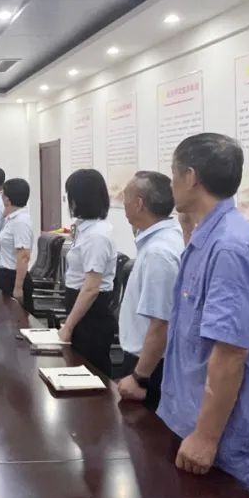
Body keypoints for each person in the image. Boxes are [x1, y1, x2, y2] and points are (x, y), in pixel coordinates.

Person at [158, 133, 249, 498]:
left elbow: (231, 352)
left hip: (221, 440)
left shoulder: (228, 247)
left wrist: (206, 437)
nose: (171, 184)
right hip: (190, 420)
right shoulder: (206, 237)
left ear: (190, 177)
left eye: (174, 174)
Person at [116, 171, 182, 411]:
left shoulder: (158, 253)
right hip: (149, 361)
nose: (122, 201)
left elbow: (161, 323)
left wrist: (139, 377)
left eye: (125, 196)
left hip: (149, 366)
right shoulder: (161, 240)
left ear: (139, 203)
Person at [57, 169, 118, 376]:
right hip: (80, 307)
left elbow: (91, 288)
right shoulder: (85, 229)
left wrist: (68, 326)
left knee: (91, 374)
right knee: (77, 371)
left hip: (92, 314)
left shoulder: (96, 236)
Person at [0, 178, 35, 312]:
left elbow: (23, 256)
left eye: (3, 194)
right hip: (6, 275)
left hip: (14, 277)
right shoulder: (12, 218)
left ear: (7, 199)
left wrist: (18, 288)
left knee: (19, 318)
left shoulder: (20, 222)